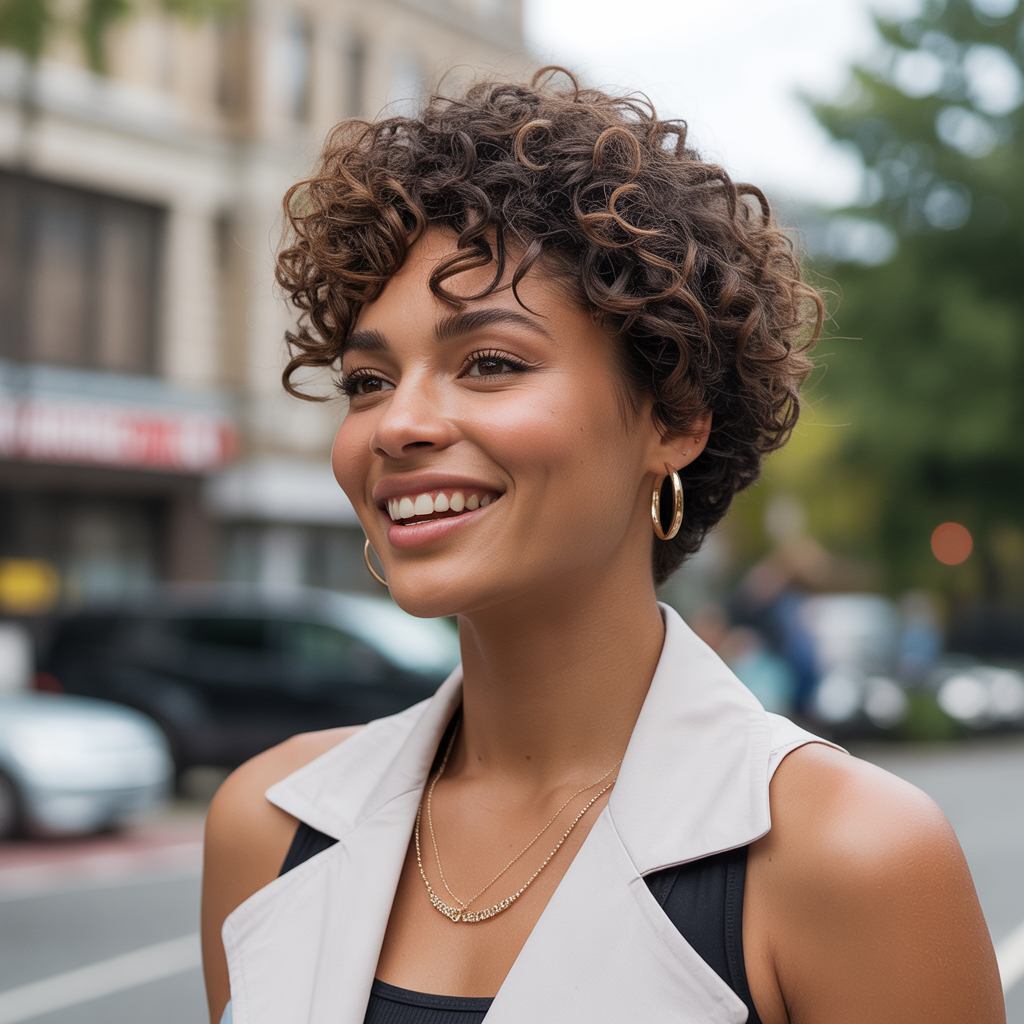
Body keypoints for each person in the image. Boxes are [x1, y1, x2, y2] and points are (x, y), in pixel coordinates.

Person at [201, 70, 1004, 1024]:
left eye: (490, 362)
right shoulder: (271, 822)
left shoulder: (853, 855)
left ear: (674, 420)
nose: (396, 425)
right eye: (368, 379)